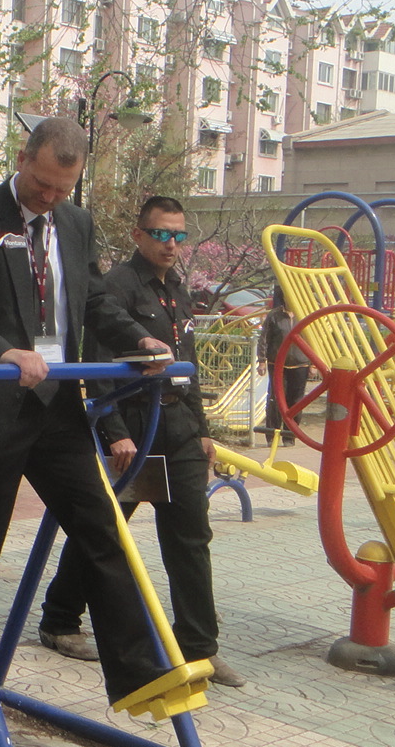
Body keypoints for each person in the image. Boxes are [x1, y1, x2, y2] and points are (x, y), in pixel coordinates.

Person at [0, 115, 178, 712]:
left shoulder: (74, 223)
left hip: (57, 406)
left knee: (103, 528)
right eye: (44, 184)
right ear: (25, 157)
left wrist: (140, 341)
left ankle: (136, 676)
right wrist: (2, 351)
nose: (50, 198)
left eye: (62, 189)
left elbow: (96, 300)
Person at [36, 196, 246, 688]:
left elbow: (185, 366)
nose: (171, 245)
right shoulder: (116, 289)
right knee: (106, 532)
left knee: (191, 540)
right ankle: (60, 618)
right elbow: (100, 364)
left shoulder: (179, 288)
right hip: (135, 428)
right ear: (138, 235)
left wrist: (203, 431)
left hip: (178, 430)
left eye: (179, 235)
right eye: (161, 234)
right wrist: (115, 433)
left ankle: (199, 647)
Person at [260, 286, 308, 446]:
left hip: (300, 364)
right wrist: (262, 360)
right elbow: (265, 338)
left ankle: (289, 436)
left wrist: (314, 363)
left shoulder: (305, 315)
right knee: (275, 399)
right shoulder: (275, 316)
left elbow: (314, 339)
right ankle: (271, 435)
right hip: (277, 363)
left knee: (296, 401)